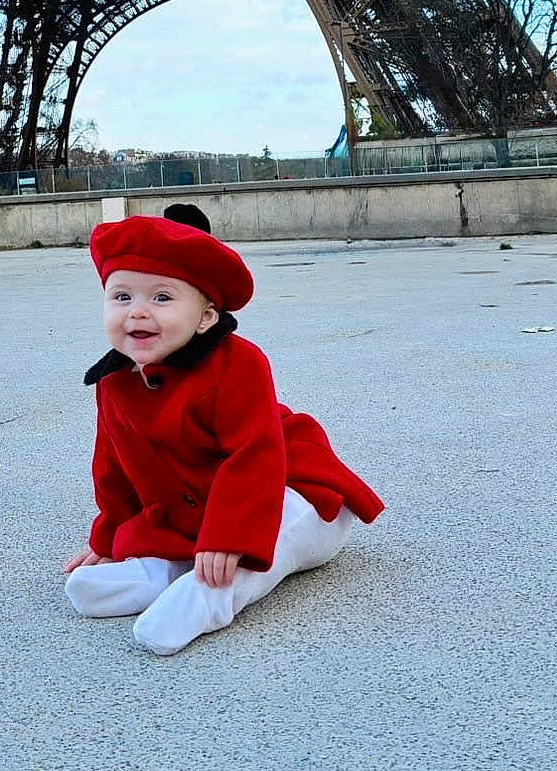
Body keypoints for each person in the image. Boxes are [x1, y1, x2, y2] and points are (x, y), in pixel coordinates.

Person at [62, 214, 384, 655]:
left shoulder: (240, 364)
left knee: (268, 542)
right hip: (207, 504)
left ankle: (212, 597)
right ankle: (165, 572)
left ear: (205, 318)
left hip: (294, 489)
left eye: (161, 297)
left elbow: (255, 455)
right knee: (121, 565)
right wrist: (107, 538)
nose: (137, 311)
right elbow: (112, 466)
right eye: (121, 296)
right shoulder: (114, 381)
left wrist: (229, 537)